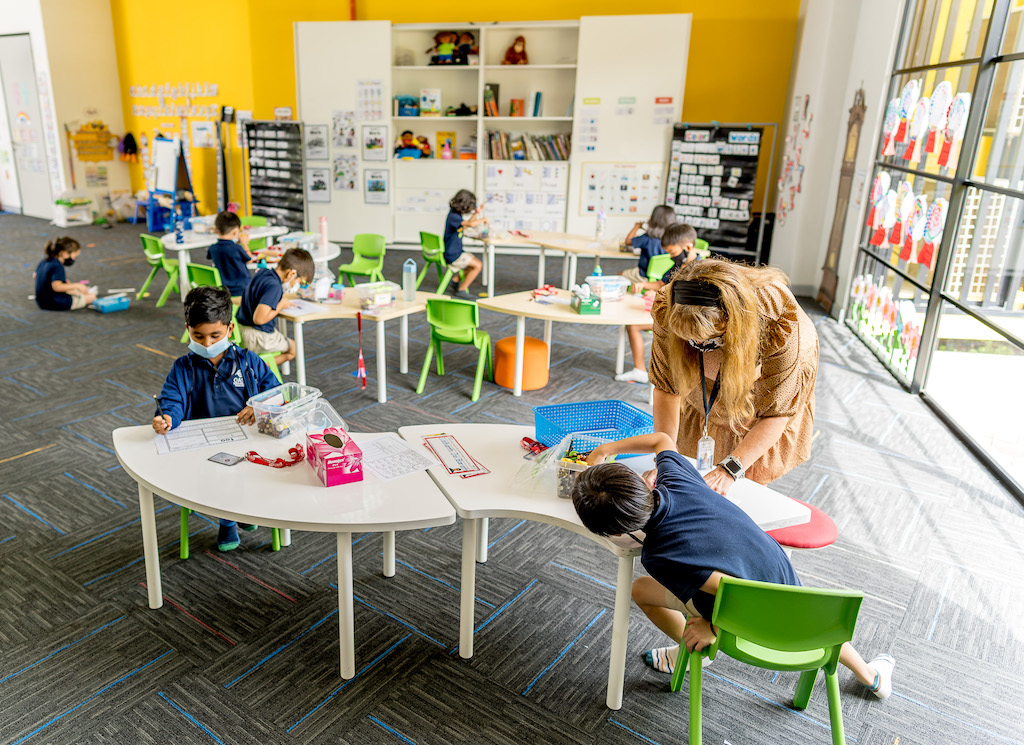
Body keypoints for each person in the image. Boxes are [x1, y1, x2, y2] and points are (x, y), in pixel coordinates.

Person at [572, 431, 896, 696]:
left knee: (641, 590)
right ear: (644, 482)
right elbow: (661, 440)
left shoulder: (657, 555)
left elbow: (732, 590)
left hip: (751, 614)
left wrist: (713, 627)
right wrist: (606, 449)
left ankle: (692, 651)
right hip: (792, 591)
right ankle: (871, 676)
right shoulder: (676, 478)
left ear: (614, 531)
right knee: (810, 618)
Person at [649, 258, 819, 495]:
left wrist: (729, 469)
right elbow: (666, 388)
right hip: (716, 332)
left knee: (743, 473)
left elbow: (775, 413)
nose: (698, 346)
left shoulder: (780, 323)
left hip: (766, 355)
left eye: (706, 340)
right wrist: (666, 459)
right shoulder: (671, 305)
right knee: (693, 442)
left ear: (731, 321)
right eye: (689, 339)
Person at [153, 286, 281, 551]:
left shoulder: (249, 362)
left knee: (254, 473)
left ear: (230, 329)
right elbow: (172, 401)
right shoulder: (183, 367)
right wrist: (166, 418)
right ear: (187, 328)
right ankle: (227, 522)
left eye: (215, 335)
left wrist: (258, 405)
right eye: (198, 336)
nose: (207, 344)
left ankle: (242, 511)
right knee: (221, 475)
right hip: (205, 447)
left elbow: (278, 393)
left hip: (249, 441)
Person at [615, 223, 698, 384]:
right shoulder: (680, 263)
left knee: (633, 325)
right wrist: (645, 286)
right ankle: (640, 370)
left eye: (672, 252)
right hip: (670, 312)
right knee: (632, 322)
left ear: (687, 247)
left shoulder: (697, 270)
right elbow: (662, 283)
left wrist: (663, 296)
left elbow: (687, 301)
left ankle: (646, 371)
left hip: (683, 320)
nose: (670, 256)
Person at [235, 247, 314, 366]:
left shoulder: (263, 272)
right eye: (300, 283)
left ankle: (254, 365)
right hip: (257, 337)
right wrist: (280, 305)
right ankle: (256, 368)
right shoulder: (274, 286)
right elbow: (259, 319)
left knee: (282, 338)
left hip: (241, 329)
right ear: (291, 274)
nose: (298, 286)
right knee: (293, 348)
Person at [443, 189, 487, 301]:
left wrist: (477, 213)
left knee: (472, 263)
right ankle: (462, 290)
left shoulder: (455, 215)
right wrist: (483, 219)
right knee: (478, 265)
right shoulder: (454, 217)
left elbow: (466, 226)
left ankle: (455, 281)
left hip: (455, 252)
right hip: (453, 255)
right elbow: (471, 224)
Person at [33, 236, 97, 311]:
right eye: (74, 257)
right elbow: (56, 287)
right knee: (92, 296)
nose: (74, 259)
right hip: (55, 302)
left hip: (41, 301)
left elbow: (35, 275)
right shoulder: (57, 266)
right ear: (65, 254)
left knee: (73, 291)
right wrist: (78, 285)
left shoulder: (45, 261)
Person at [620, 204, 677, 286]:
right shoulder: (675, 241)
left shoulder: (647, 238)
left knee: (619, 275)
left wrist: (636, 226)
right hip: (665, 277)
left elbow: (628, 241)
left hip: (644, 275)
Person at [207, 211, 258, 297]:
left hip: (223, 289)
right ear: (235, 231)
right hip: (242, 289)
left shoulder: (212, 248)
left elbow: (223, 252)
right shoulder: (237, 248)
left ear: (216, 230)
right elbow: (249, 259)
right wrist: (245, 245)